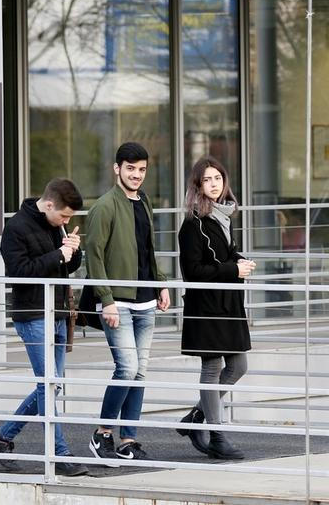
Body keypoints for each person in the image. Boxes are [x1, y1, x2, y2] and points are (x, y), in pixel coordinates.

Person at [0, 178, 89, 476]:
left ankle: (2, 437)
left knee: (52, 384)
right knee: (48, 384)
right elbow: (19, 273)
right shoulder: (16, 228)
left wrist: (73, 251)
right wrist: (58, 255)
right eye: (64, 216)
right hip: (32, 314)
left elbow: (65, 267)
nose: (66, 221)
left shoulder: (55, 225)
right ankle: (59, 453)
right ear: (49, 204)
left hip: (57, 312)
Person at [84, 142, 170, 463]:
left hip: (145, 300)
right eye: (130, 168)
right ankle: (102, 433)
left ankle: (128, 440)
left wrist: (160, 283)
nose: (136, 175)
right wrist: (106, 300)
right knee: (127, 368)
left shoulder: (144, 201)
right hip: (116, 302)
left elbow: (148, 249)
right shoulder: (104, 206)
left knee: (140, 372)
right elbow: (93, 256)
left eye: (142, 169)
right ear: (116, 168)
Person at [175, 156, 254, 460]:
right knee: (212, 368)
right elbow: (193, 271)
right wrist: (233, 269)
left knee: (238, 366)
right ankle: (217, 436)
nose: (213, 184)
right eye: (207, 180)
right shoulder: (192, 224)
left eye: (218, 178)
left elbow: (224, 254)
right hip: (206, 307)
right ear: (197, 185)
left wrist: (239, 260)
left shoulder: (223, 216)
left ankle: (197, 416)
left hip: (228, 304)